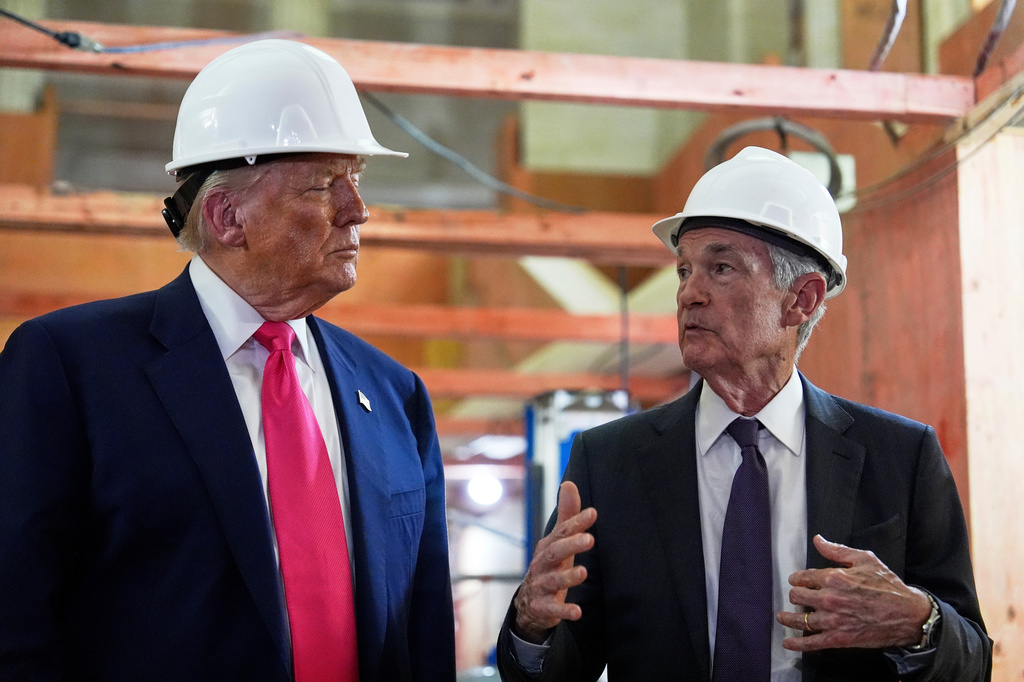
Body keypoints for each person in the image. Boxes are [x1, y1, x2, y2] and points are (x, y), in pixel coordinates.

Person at [0, 40, 455, 681]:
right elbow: (15, 621)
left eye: (357, 180)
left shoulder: (395, 393)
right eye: (326, 184)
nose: (359, 210)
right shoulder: (69, 368)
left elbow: (423, 632)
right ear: (227, 215)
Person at [496, 146, 991, 681]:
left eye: (722, 268)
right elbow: (559, 667)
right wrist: (531, 624)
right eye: (685, 269)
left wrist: (919, 622)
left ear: (801, 299)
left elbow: (975, 662)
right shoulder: (609, 462)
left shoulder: (901, 457)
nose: (689, 294)